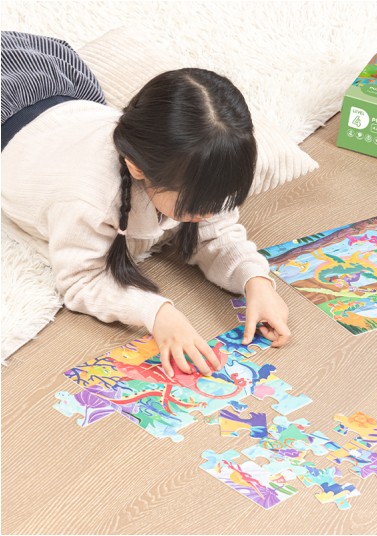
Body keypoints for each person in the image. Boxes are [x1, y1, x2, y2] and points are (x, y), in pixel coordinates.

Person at [1, 31, 291, 378]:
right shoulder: (87, 200)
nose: (212, 212)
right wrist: (157, 313)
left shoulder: (193, 171)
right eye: (199, 204)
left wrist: (255, 280)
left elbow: (217, 233)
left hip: (57, 92)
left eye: (219, 199)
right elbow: (80, 281)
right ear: (137, 167)